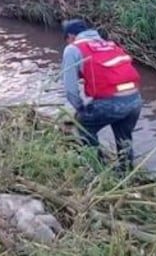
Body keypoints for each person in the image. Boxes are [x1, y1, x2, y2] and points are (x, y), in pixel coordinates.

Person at [61, 19, 143, 172]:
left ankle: (98, 169)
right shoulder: (110, 45)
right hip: (135, 100)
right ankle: (125, 171)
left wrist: (80, 108)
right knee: (124, 137)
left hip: (112, 103)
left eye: (66, 39)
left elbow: (70, 89)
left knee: (83, 124)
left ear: (71, 36)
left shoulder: (72, 49)